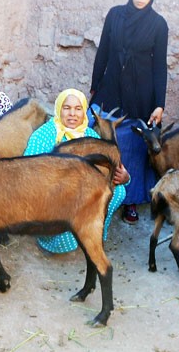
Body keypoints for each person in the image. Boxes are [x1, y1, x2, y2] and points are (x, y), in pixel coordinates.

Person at [90, 0, 168, 224]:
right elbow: (103, 52)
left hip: (140, 95)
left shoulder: (158, 24)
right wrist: (94, 86)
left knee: (133, 146)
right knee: (104, 138)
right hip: (111, 87)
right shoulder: (115, 15)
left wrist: (159, 104)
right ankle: (98, 194)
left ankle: (130, 201)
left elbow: (159, 67)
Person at [23, 89, 129, 253]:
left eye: (78, 109)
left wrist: (124, 177)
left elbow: (109, 168)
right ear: (59, 109)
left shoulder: (89, 134)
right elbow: (27, 174)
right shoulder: (45, 135)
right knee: (67, 243)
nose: (72, 113)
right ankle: (52, 239)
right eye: (67, 108)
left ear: (84, 111)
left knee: (118, 191)